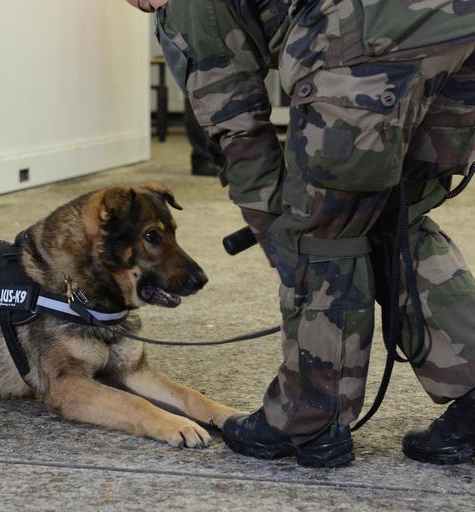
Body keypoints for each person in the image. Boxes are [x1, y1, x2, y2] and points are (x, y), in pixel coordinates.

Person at [127, 0, 475, 467]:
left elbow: (236, 123)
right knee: (395, 217)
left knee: (323, 231)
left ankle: (306, 421)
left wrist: (282, 235)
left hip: (367, 33)